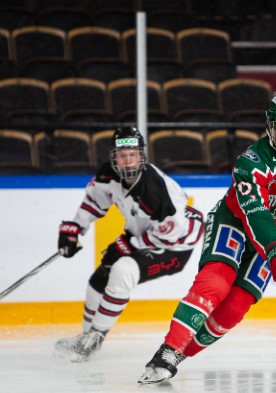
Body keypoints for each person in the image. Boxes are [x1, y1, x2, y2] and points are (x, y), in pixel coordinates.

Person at [138, 93, 276, 384]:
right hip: (233, 221)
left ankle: (180, 355)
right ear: (271, 128)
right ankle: (167, 351)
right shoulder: (251, 162)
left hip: (274, 235)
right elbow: (255, 213)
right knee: (215, 283)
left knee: (235, 307)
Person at [55, 127, 204, 362]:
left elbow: (173, 234)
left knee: (123, 270)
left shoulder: (156, 190)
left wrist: (131, 243)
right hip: (145, 236)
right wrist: (74, 228)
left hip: (175, 247)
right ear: (114, 157)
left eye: (133, 154)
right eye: (122, 155)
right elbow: (95, 201)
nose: (128, 160)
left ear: (141, 156)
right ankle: (85, 337)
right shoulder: (109, 175)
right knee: (98, 280)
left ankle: (96, 337)